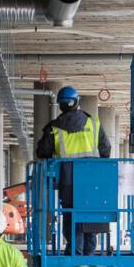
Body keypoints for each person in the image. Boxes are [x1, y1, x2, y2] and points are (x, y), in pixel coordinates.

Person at [35, 86, 111, 255]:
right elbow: (106, 149)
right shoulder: (93, 123)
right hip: (92, 180)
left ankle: (74, 252)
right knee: (90, 214)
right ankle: (88, 255)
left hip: (67, 180)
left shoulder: (53, 128)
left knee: (70, 214)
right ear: (77, 102)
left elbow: (42, 152)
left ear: (60, 105)